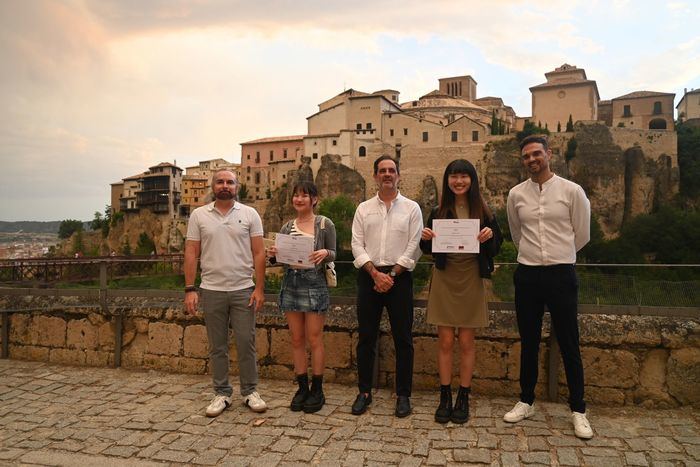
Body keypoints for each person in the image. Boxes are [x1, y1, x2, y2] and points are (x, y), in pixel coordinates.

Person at [505, 135, 593, 439]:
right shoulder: (515, 194)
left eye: (536, 154)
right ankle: (526, 400)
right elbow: (517, 234)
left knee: (570, 342)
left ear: (549, 154)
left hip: (561, 273)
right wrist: (533, 255)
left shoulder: (572, 191)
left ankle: (578, 409)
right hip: (528, 274)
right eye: (526, 156)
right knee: (528, 341)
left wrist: (559, 255)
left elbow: (581, 234)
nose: (532, 160)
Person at [420, 159, 502, 424]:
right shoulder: (438, 210)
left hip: (471, 278)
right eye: (454, 177)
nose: (458, 181)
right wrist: (426, 238)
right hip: (445, 277)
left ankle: (463, 396)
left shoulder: (484, 210)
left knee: (466, 342)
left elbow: (496, 246)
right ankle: (445, 395)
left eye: (464, 177)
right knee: (444, 342)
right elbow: (427, 250)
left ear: (472, 180)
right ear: (447, 180)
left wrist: (489, 236)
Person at [183, 168, 267, 417]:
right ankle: (221, 393)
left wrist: (260, 288)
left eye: (230, 182)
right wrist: (190, 289)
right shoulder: (199, 215)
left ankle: (250, 392)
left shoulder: (250, 214)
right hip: (211, 290)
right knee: (217, 346)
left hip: (243, 289)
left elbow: (259, 253)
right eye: (220, 181)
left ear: (236, 186)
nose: (225, 186)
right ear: (212, 185)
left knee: (246, 342)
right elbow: (191, 252)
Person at [350, 155, 423, 418]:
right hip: (369, 276)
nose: (387, 174)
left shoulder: (412, 208)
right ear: (375, 176)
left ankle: (403, 395)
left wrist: (391, 274)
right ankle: (364, 392)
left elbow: (414, 245)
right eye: (382, 171)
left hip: (399, 277)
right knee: (366, 338)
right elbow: (357, 244)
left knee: (403, 339)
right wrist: (374, 273)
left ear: (399, 175)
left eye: (392, 170)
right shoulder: (363, 209)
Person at [266, 181, 336, 413]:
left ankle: (318, 389)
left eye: (304, 196)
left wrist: (325, 252)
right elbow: (281, 261)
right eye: (296, 195)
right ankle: (302, 387)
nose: (299, 199)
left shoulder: (325, 224)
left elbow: (335, 252)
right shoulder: (286, 227)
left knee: (315, 339)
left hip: (315, 285)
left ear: (314, 199)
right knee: (296, 339)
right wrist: (274, 255)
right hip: (291, 283)